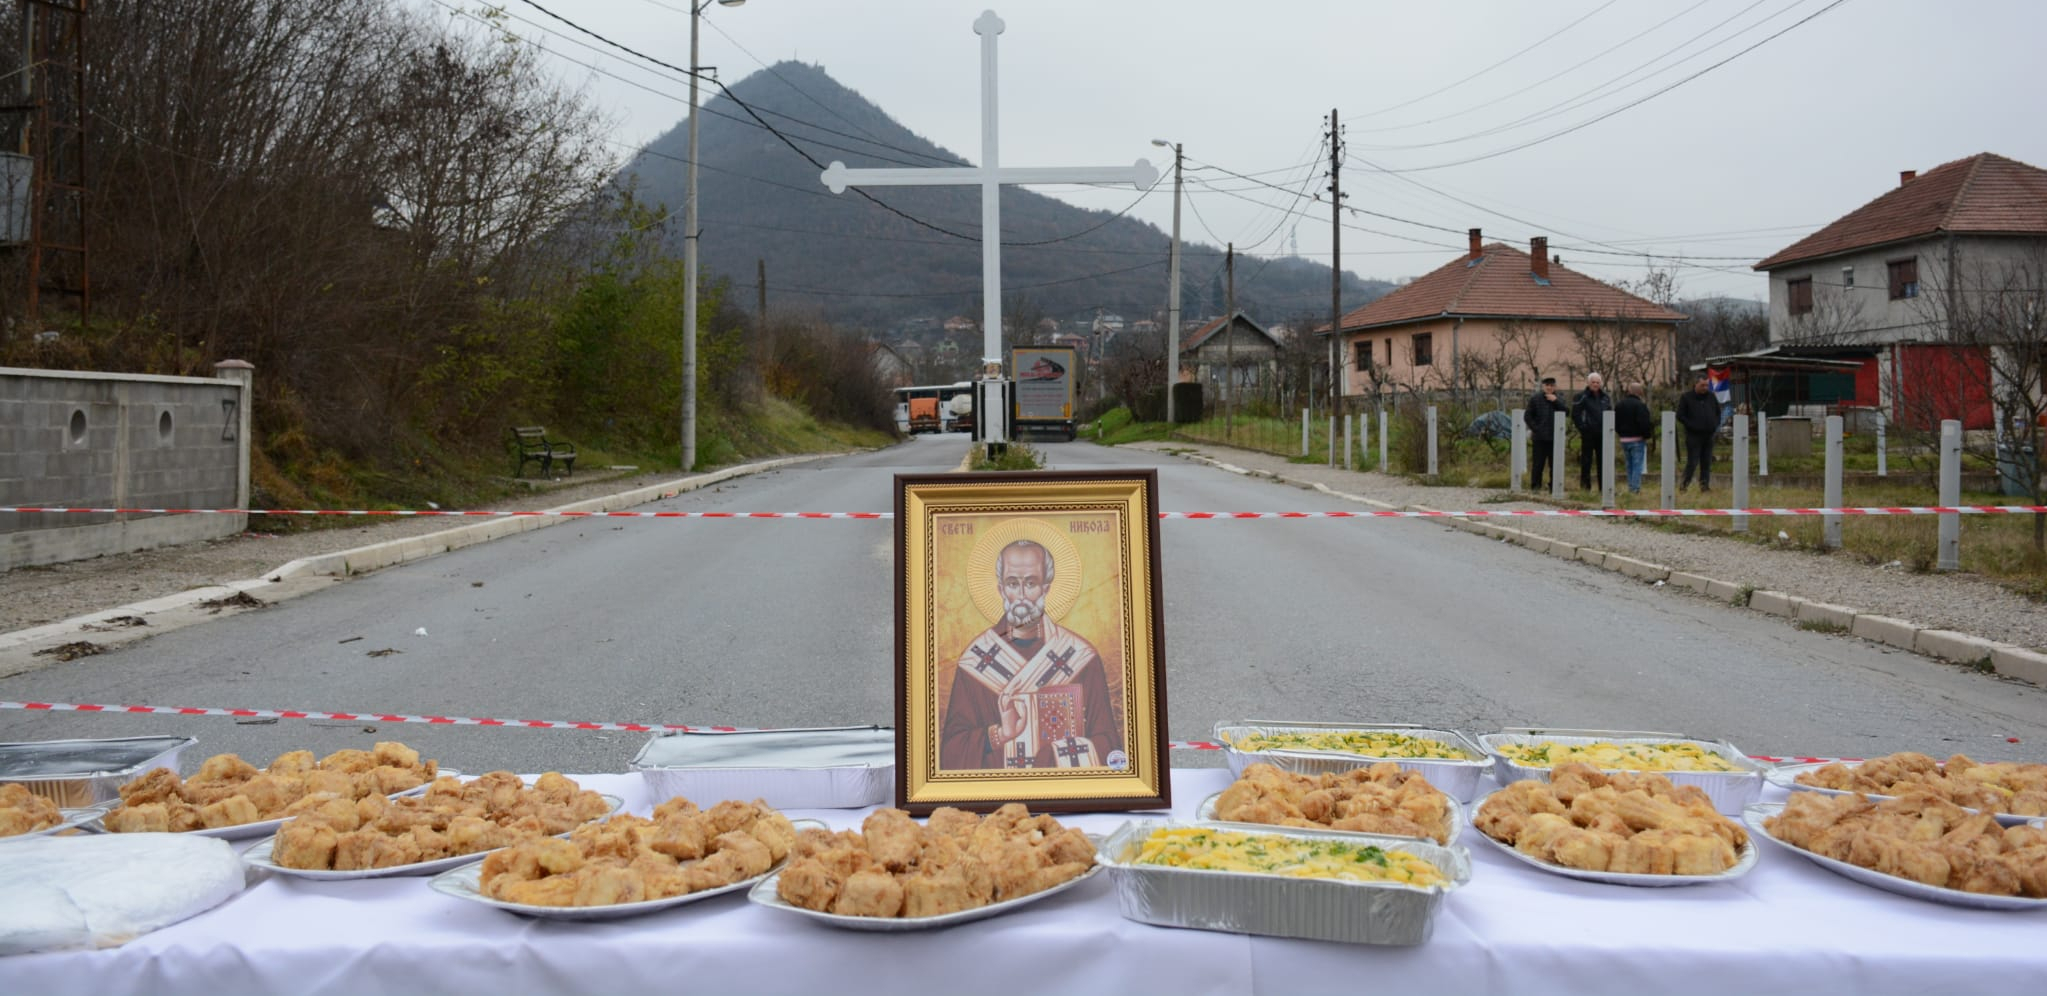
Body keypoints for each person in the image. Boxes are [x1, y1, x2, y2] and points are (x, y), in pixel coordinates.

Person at [939, 539, 1123, 771]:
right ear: (1001, 589)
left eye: (1031, 583)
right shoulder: (975, 661)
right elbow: (951, 753)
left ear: (1046, 588)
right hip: (998, 793)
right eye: (1013, 583)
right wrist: (998, 734)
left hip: (1063, 793)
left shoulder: (1081, 657)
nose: (1023, 594)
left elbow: (1109, 746)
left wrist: (1055, 756)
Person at [1523, 376, 1568, 492]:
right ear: (1543, 386)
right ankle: (1535, 487)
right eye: (1547, 385)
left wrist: (1556, 401)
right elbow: (1527, 416)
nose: (1549, 388)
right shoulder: (1535, 399)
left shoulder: (1560, 398)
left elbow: (1566, 412)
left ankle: (1554, 487)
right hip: (1539, 437)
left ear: (1555, 387)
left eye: (1552, 385)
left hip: (1555, 437)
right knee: (1538, 464)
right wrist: (1536, 429)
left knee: (1554, 465)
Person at [1677, 375, 1721, 492]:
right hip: (1693, 436)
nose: (1705, 387)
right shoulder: (1686, 397)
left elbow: (1718, 412)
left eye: (1707, 385)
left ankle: (1704, 486)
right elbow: (1680, 415)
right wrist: (1692, 425)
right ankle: (1684, 485)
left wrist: (1715, 424)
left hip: (1708, 435)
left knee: (1706, 462)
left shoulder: (1711, 397)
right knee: (1693, 462)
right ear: (1695, 384)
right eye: (1702, 385)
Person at [1571, 372, 1612, 491]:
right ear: (1588, 383)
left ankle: (1603, 488)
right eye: (1593, 382)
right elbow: (1576, 414)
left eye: (1598, 382)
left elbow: (1610, 412)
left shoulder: (1605, 397)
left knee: (1603, 462)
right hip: (1588, 434)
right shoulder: (1581, 396)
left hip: (1603, 434)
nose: (1595, 384)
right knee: (1586, 462)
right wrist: (1583, 428)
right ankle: (1585, 488)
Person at [1614, 383, 1653, 494]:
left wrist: (1620, 433)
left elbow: (1615, 422)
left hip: (1624, 439)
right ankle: (1635, 488)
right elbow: (1644, 423)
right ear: (1639, 392)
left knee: (1629, 464)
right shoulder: (1640, 405)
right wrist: (1646, 435)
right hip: (1637, 439)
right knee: (1637, 465)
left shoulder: (1619, 405)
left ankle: (1631, 485)